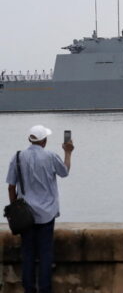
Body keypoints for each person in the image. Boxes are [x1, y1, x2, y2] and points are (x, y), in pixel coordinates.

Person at [6, 125, 73, 293]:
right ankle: (45, 289)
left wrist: (15, 206)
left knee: (27, 253)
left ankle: (29, 289)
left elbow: (11, 187)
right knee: (45, 254)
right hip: (47, 213)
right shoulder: (50, 156)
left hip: (26, 215)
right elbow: (64, 172)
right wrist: (68, 152)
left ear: (30, 139)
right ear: (44, 141)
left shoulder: (18, 157)